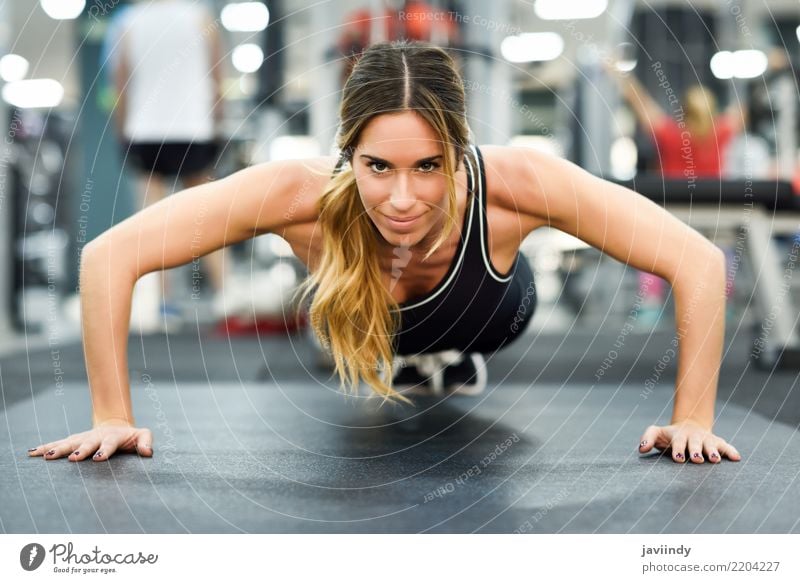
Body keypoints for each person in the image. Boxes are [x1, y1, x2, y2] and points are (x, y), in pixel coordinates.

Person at [28, 40, 740, 465]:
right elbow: (107, 259)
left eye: (428, 166)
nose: (402, 197)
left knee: (438, 331)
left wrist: (693, 418)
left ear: (459, 153)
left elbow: (698, 262)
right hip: (361, 321)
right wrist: (112, 414)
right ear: (348, 154)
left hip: (490, 315)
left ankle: (436, 359)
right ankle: (399, 357)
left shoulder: (519, 183)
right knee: (349, 323)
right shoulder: (294, 192)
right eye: (378, 168)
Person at [111, 0, 228, 323]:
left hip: (145, 130)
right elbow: (216, 75)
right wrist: (218, 122)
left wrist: (123, 131)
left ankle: (165, 305)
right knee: (209, 216)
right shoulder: (200, 16)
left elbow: (121, 84)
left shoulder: (127, 21)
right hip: (193, 127)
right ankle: (225, 297)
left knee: (153, 222)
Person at [608, 66, 746, 326]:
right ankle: (721, 303)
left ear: (683, 110)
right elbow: (746, 109)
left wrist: (618, 73)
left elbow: (640, 101)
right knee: (721, 248)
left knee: (654, 249)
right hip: (713, 210)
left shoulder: (671, 133)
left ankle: (649, 305)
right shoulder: (722, 131)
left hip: (672, 210)